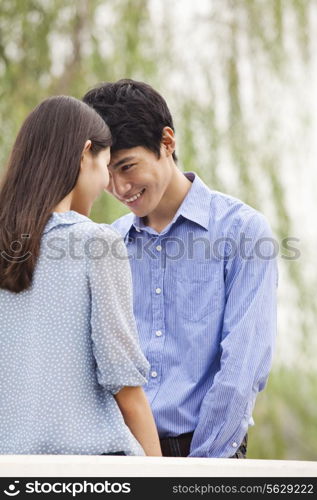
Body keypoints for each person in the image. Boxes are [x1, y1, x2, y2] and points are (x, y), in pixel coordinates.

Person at [83, 79, 278, 458]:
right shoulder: (108, 244)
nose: (119, 187)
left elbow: (240, 370)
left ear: (167, 142)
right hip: (122, 459)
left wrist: (195, 473)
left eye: (127, 166)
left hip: (209, 454)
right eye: (107, 173)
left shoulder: (242, 232)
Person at [0, 95, 161, 457]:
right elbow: (124, 383)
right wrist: (160, 478)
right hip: (91, 470)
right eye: (105, 165)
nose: (108, 183)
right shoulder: (97, 243)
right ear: (85, 153)